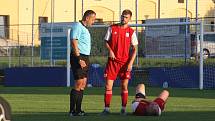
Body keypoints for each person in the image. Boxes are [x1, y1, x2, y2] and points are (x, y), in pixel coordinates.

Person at [101, 9, 138, 115]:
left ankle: (123, 109)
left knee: (124, 86)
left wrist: (130, 63)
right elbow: (106, 41)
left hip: (125, 64)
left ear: (130, 19)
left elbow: (135, 49)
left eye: (126, 17)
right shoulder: (112, 28)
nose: (123, 18)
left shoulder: (131, 32)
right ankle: (107, 109)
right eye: (122, 16)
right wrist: (110, 51)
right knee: (108, 86)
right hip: (112, 62)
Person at [69, 10, 96, 116]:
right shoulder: (77, 26)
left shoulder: (84, 28)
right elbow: (74, 41)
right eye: (93, 19)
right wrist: (79, 58)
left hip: (85, 57)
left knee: (83, 83)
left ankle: (79, 110)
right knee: (78, 83)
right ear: (87, 18)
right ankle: (72, 110)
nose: (93, 22)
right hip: (78, 57)